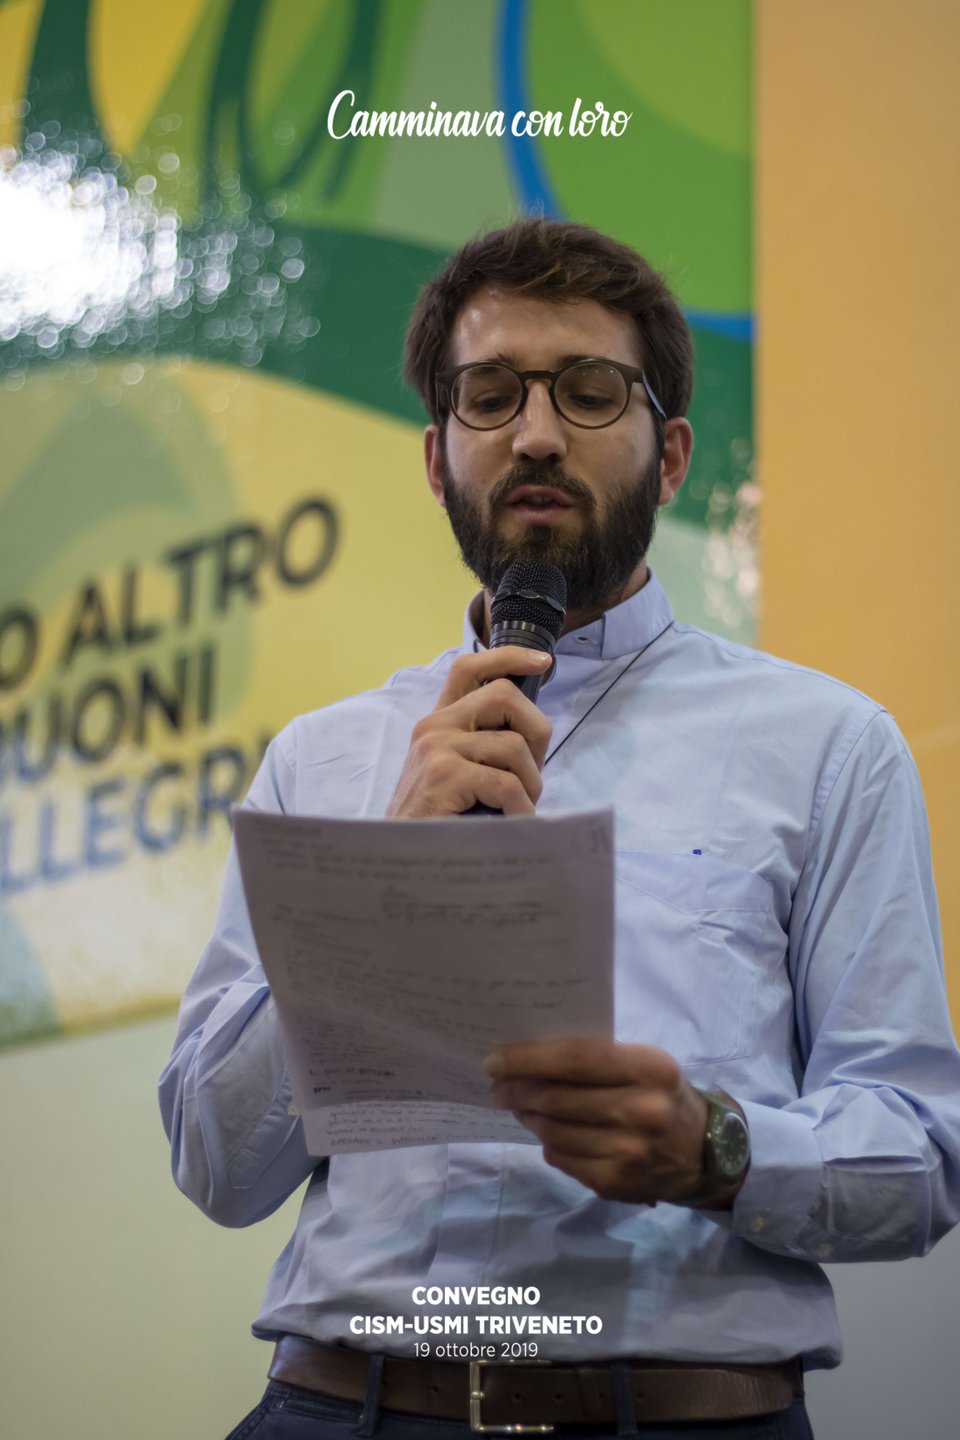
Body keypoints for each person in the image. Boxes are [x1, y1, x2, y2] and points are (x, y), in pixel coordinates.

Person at [160, 219, 960, 1440]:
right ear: (438, 461)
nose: (536, 433)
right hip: (339, 1405)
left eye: (589, 392)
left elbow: (921, 1156)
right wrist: (383, 882)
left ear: (671, 456)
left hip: (679, 1416)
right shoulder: (323, 761)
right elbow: (218, 1165)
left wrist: (718, 1151)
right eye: (490, 397)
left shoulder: (828, 745)